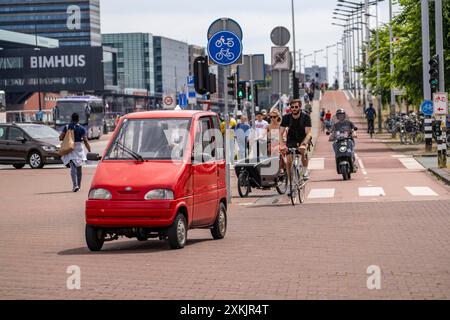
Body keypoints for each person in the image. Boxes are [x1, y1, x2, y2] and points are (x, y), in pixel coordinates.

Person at [279, 99, 312, 186]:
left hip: (303, 139)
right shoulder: (286, 117)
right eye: (292, 107)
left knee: (303, 151)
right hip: (291, 139)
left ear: (300, 107)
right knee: (289, 161)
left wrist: (304, 144)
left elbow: (308, 133)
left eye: (296, 107)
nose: (294, 108)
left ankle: (305, 171)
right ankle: (291, 184)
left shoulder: (306, 117)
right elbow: (280, 133)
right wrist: (282, 145)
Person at [59, 113, 91, 192]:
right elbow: (85, 140)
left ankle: (75, 185)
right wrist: (89, 149)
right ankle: (79, 186)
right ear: (78, 119)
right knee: (79, 167)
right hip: (79, 148)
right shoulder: (82, 128)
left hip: (70, 147)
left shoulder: (66, 127)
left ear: (71, 118)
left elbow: (61, 137)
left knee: (72, 166)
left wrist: (66, 137)